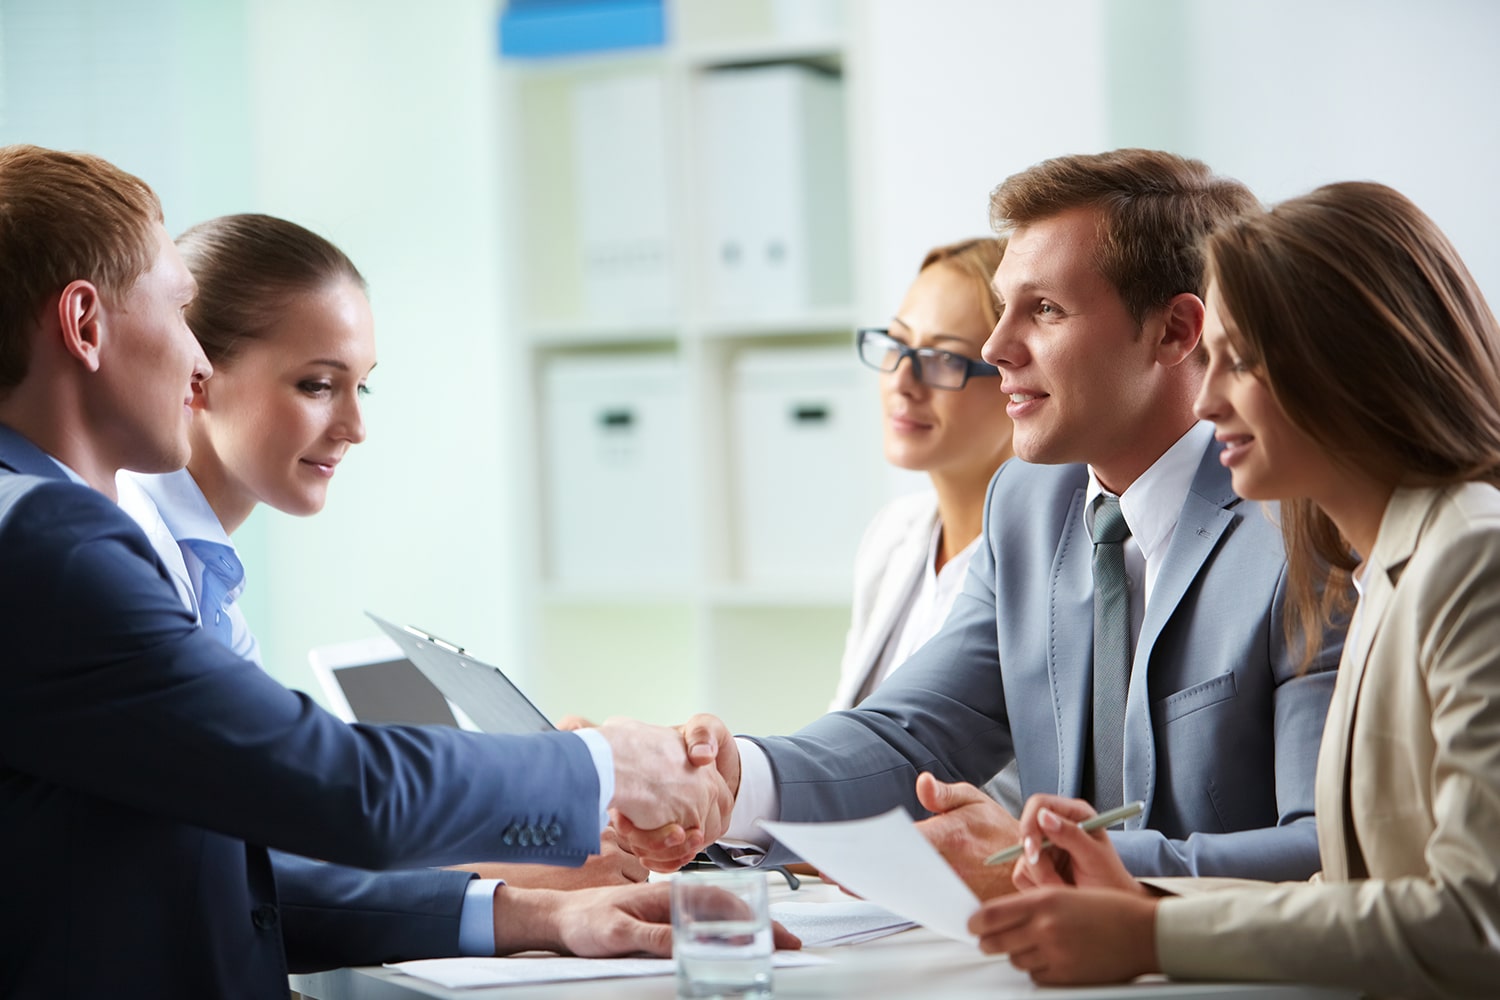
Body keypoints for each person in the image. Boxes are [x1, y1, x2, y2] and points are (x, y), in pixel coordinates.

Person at [0, 145, 754, 999]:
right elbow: (340, 785)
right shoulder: (48, 542)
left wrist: (540, 916)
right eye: (178, 314)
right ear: (86, 324)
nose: (196, 363)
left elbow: (222, 872)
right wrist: (606, 764)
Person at [624, 149, 1342, 900]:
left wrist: (1049, 865)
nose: (996, 348)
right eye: (1004, 307)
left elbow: (1322, 849)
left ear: (1174, 332)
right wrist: (730, 779)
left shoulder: (1302, 530)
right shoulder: (1029, 503)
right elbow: (914, 735)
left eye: (1046, 310)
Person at [968, 181, 1500, 998]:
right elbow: (1354, 892)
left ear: (1352, 366)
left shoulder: (1472, 558)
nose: (1208, 400)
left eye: (1239, 362)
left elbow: (1475, 922)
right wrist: (1123, 889)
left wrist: (1153, 932)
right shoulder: (1390, 563)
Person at [117, 211, 645, 893]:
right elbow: (261, 839)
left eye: (360, 386)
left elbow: (266, 829)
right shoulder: (131, 560)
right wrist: (505, 867)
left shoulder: (204, 568)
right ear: (199, 373)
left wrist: (521, 801)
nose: (355, 428)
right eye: (317, 385)